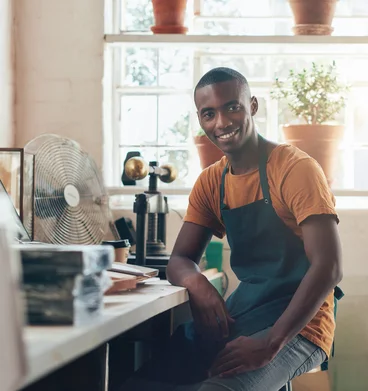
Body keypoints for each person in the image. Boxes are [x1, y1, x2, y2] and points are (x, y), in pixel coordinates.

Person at [122, 67, 344, 391]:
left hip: (302, 326)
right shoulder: (212, 182)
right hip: (248, 313)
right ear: (200, 120)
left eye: (232, 107)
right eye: (208, 114)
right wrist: (197, 283)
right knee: (136, 384)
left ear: (252, 106)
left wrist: (271, 342)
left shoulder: (295, 169)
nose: (221, 123)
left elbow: (330, 267)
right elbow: (179, 260)